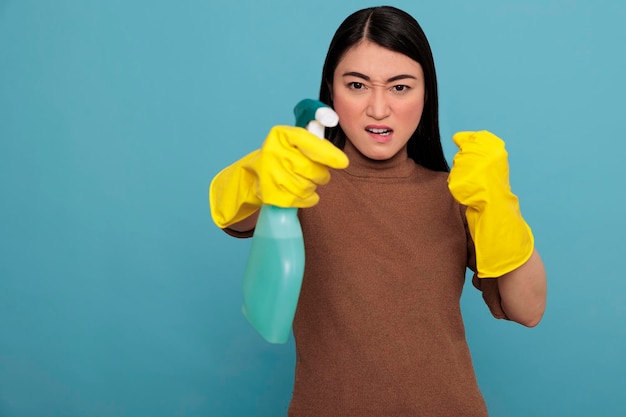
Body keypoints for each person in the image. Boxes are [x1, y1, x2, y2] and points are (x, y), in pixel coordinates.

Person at [209, 5, 547, 416]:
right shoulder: (297, 183)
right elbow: (234, 216)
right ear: (331, 91)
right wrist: (258, 175)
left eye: (400, 87)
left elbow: (528, 309)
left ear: (426, 95)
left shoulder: (458, 193)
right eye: (357, 85)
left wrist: (499, 205)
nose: (378, 109)